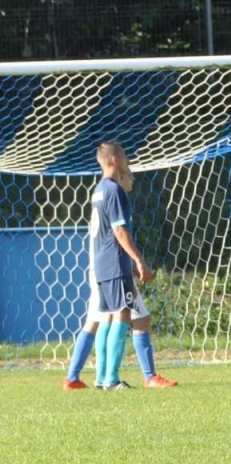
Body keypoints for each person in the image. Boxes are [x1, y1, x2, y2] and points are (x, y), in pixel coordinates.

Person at [63, 143, 175, 391]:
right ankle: (111, 379)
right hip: (114, 262)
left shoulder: (99, 189)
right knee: (123, 315)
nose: (127, 160)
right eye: (124, 156)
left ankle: (102, 378)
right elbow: (119, 230)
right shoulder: (114, 190)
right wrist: (138, 259)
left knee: (107, 318)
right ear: (114, 160)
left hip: (102, 264)